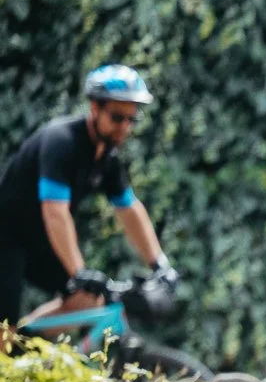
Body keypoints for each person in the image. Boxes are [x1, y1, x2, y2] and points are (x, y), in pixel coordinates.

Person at [1, 65, 174, 326]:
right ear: (95, 108)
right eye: (117, 117)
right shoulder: (61, 141)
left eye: (132, 119)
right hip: (6, 238)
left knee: (87, 301)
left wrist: (160, 264)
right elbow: (54, 212)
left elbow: (130, 210)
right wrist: (79, 272)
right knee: (3, 332)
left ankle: (25, 348)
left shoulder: (107, 158)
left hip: (38, 242)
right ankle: (10, 348)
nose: (125, 127)